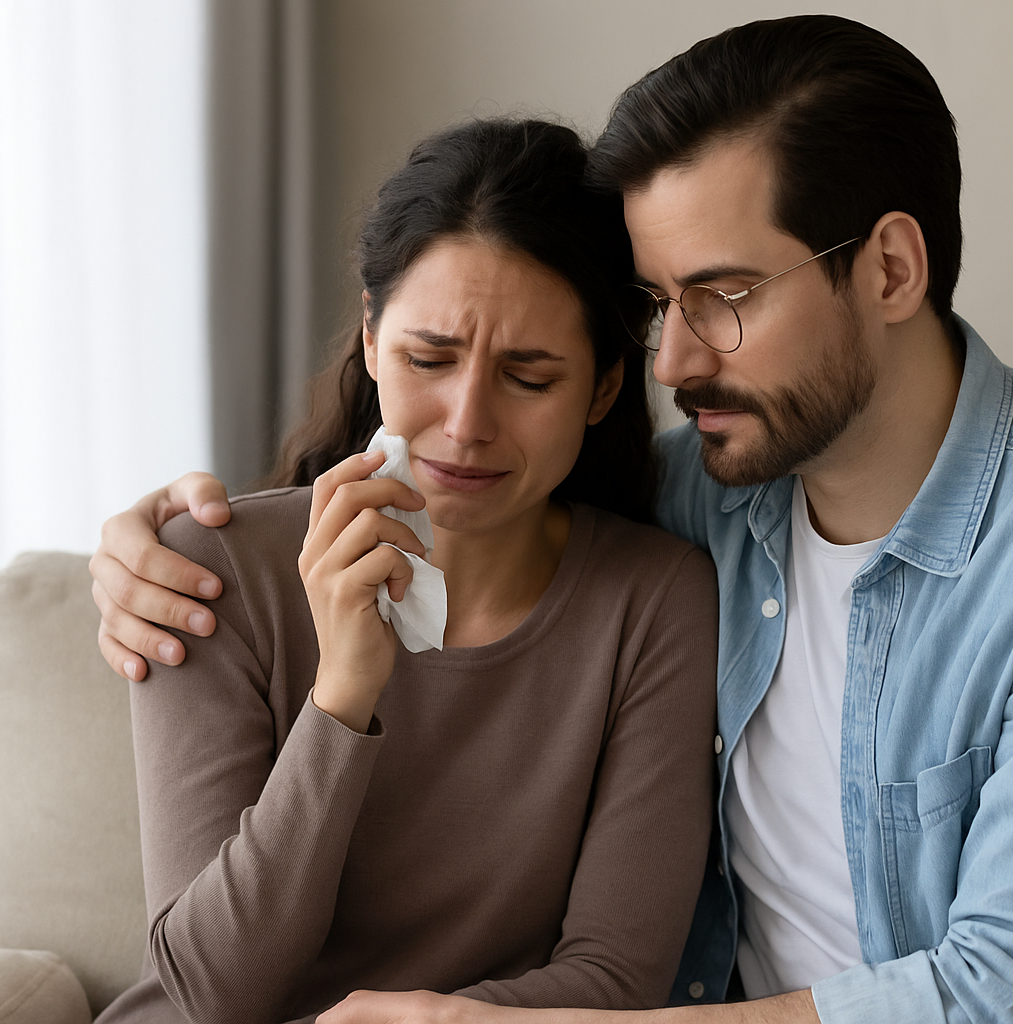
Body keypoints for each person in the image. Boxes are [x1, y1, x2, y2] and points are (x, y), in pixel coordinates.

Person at [91, 16, 1013, 1024]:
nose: (673, 358)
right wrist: (143, 547)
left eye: (722, 298)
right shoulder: (703, 501)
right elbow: (479, 492)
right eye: (657, 304)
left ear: (890, 269)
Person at [91, 118, 720, 1024]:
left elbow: (615, 981)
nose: (466, 422)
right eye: (429, 358)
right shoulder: (202, 574)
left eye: (530, 378)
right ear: (372, 338)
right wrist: (343, 694)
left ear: (605, 387)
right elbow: (211, 993)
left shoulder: (654, 602)